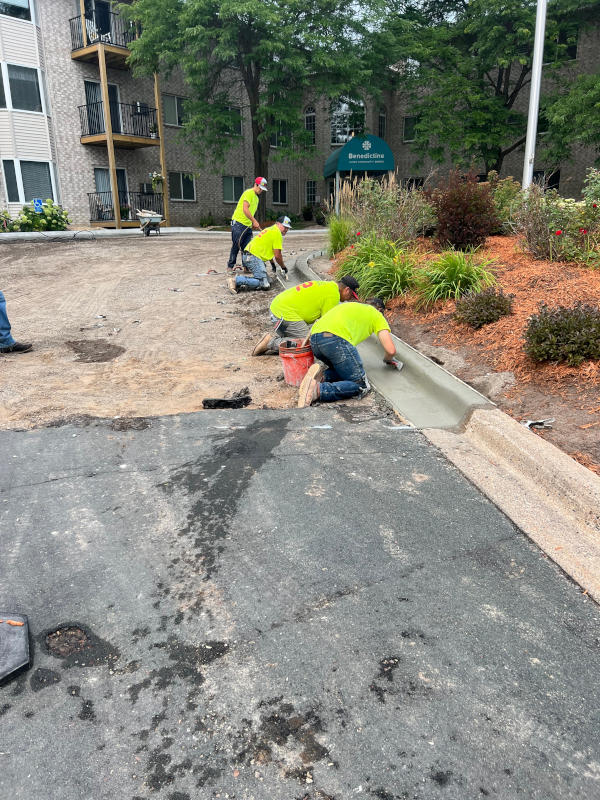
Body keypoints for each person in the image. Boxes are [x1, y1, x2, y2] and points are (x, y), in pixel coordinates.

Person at [298, 297, 399, 407]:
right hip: (335, 340)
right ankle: (318, 390)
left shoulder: (349, 305)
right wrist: (388, 359)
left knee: (344, 372)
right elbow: (391, 350)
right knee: (361, 385)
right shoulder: (376, 314)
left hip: (315, 340)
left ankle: (322, 377)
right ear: (380, 310)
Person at [251, 276, 360, 356]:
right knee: (305, 343)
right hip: (284, 314)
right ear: (347, 290)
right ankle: (271, 342)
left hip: (279, 309)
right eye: (351, 296)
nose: (350, 299)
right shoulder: (333, 295)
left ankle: (285, 341)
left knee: (309, 336)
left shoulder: (329, 286)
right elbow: (327, 326)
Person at [228, 216, 291, 293]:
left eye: (288, 228)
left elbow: (267, 248)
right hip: (253, 257)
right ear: (278, 224)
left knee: (269, 281)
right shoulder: (277, 233)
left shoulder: (270, 229)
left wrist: (272, 264)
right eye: (285, 227)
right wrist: (283, 267)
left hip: (250, 256)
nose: (286, 229)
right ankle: (236, 280)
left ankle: (245, 281)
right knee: (264, 284)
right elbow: (278, 256)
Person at [227, 177, 267, 272]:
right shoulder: (249, 193)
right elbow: (245, 209)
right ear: (255, 184)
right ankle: (230, 266)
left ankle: (246, 266)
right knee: (237, 245)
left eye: (262, 189)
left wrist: (251, 222)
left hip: (247, 225)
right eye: (260, 188)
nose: (261, 190)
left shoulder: (256, 198)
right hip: (239, 223)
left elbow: (251, 212)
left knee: (248, 247)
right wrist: (254, 221)